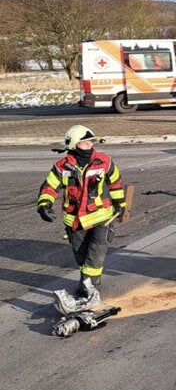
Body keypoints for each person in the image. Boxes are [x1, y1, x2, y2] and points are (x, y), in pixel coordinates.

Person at [36, 125, 125, 297]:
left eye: (91, 142)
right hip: (75, 221)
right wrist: (44, 205)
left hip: (101, 217)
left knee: (96, 255)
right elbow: (49, 187)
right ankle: (86, 282)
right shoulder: (62, 167)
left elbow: (116, 183)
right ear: (73, 144)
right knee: (81, 257)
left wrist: (120, 203)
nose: (89, 145)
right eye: (84, 142)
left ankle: (90, 289)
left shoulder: (104, 162)